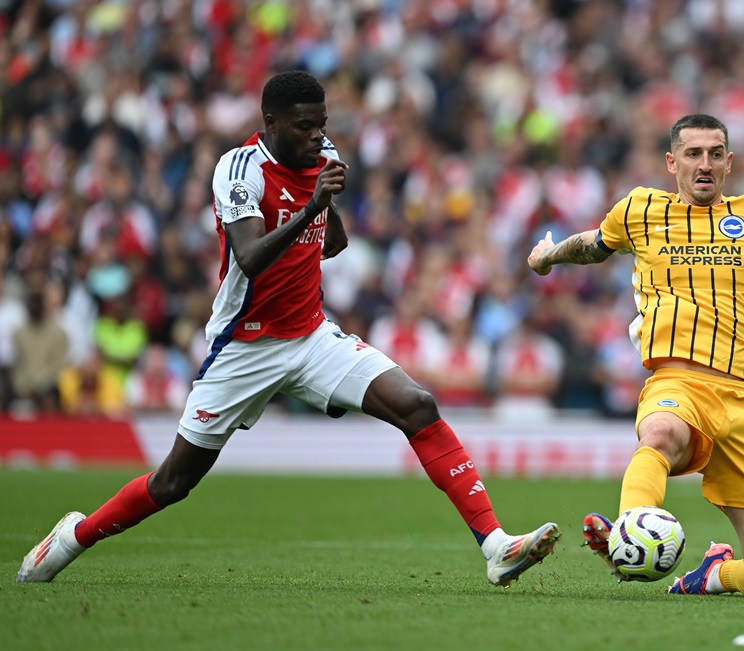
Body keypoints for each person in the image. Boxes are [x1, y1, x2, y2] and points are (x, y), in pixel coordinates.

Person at [18, 70, 559, 588]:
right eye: (305, 124)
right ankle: (72, 537)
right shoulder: (238, 169)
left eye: (322, 122)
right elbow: (251, 257)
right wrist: (312, 205)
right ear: (271, 123)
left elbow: (333, 242)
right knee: (173, 483)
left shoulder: (322, 156)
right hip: (244, 346)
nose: (318, 134)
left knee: (417, 404)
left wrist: (327, 208)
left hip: (309, 336)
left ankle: (494, 545)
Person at [527, 114, 744, 597]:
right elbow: (593, 246)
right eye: (692, 154)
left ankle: (711, 573)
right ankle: (628, 531)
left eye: (714, 154)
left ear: (729, 163)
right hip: (678, 383)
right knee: (661, 432)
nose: (703, 164)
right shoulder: (640, 211)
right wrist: (548, 256)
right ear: (672, 162)